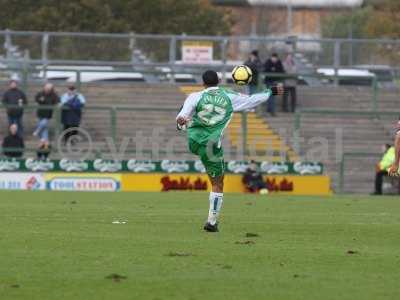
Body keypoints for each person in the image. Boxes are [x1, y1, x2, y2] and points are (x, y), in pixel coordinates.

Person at [176, 70, 283, 232]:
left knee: (188, 123)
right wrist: (270, 91)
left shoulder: (194, 96)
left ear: (203, 82)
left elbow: (181, 119)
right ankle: (211, 223)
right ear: (219, 81)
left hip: (193, 140)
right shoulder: (229, 96)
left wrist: (181, 122)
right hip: (211, 146)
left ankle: (194, 129)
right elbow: (252, 100)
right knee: (218, 184)